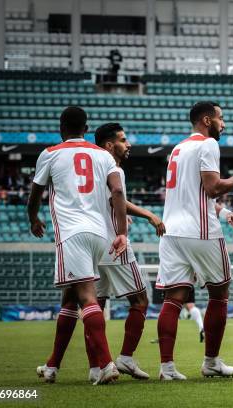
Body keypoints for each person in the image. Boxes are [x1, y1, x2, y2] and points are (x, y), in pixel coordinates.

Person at [29, 106, 127, 385]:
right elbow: (118, 191)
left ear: (61, 128)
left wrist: (33, 218)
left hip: (72, 234)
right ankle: (52, 366)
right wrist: (121, 232)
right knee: (71, 297)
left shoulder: (50, 153)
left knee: (86, 297)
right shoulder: (104, 155)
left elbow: (36, 192)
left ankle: (106, 364)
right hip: (100, 235)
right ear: (86, 129)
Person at [156, 101, 233, 380]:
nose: (223, 124)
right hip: (200, 230)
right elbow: (212, 187)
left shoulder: (177, 149)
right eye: (221, 118)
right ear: (207, 120)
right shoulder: (208, 145)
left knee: (174, 297)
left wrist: (224, 211)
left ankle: (167, 368)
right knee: (220, 291)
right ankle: (211, 362)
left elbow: (191, 192)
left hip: (171, 230)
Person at [90, 122, 166, 382]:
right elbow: (117, 195)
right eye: (123, 140)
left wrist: (126, 212)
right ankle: (125, 357)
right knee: (140, 301)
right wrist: (145, 215)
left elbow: (113, 201)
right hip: (115, 245)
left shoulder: (92, 167)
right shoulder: (113, 168)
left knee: (94, 306)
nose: (129, 144)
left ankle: (97, 366)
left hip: (93, 245)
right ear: (110, 145)